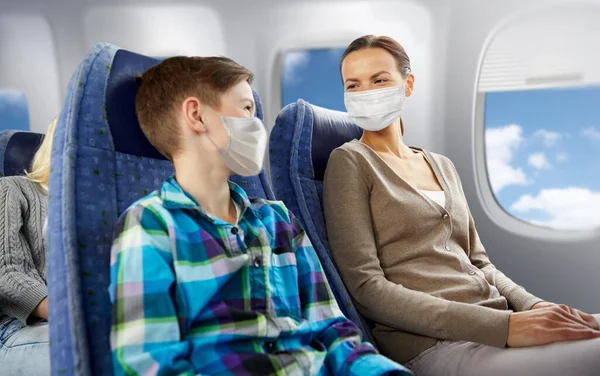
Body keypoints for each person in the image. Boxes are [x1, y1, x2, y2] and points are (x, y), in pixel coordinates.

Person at [108, 56, 410, 376]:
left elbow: (332, 330)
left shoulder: (277, 220)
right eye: (246, 109)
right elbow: (149, 364)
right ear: (197, 115)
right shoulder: (151, 226)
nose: (257, 125)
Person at [323, 34, 600, 376]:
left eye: (379, 80)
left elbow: (480, 264)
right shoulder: (349, 162)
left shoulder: (442, 165)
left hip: (497, 321)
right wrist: (506, 327)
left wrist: (536, 307)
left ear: (407, 85)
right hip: (435, 345)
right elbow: (368, 289)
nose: (367, 93)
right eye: (354, 85)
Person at [0, 117, 57, 375]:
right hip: (16, 327)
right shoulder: (12, 189)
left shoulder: (105, 205)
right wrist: (74, 312)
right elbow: (8, 274)